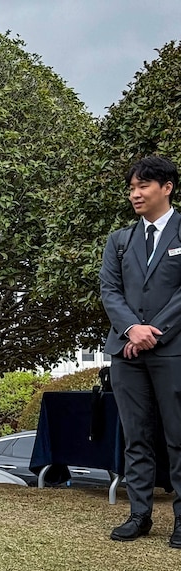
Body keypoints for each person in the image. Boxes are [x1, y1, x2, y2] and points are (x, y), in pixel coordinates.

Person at [99, 155, 181, 547]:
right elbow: (109, 291)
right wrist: (132, 328)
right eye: (132, 187)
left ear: (166, 187)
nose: (135, 194)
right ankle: (139, 514)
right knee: (136, 436)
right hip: (127, 352)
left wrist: (155, 331)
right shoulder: (119, 240)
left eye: (143, 186)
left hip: (174, 351)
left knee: (178, 437)